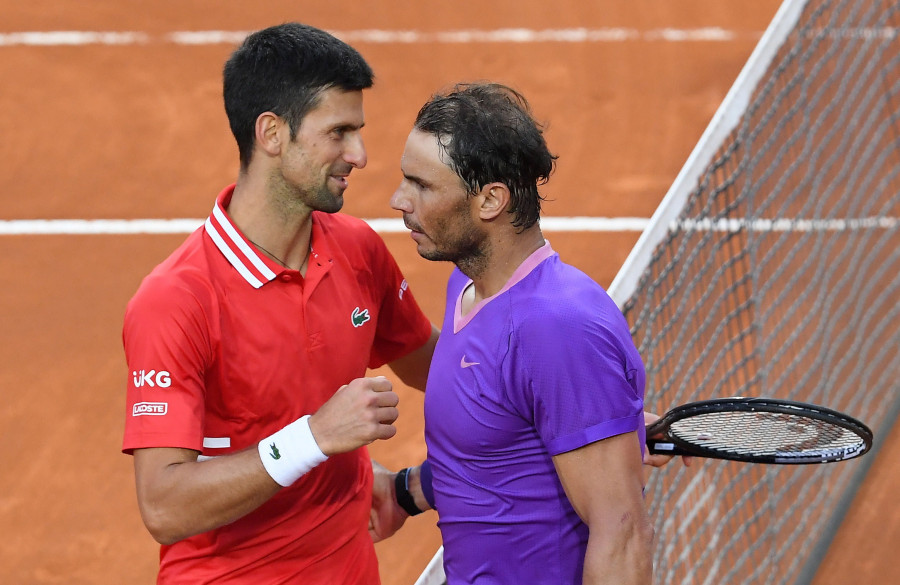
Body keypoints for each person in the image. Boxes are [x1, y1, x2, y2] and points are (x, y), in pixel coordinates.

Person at [121, 23, 439, 584]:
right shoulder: (178, 301)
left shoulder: (358, 250)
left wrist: (587, 417)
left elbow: (440, 369)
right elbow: (165, 506)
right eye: (338, 132)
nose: (360, 155)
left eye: (357, 131)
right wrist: (313, 438)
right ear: (271, 133)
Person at [380, 83, 656, 584]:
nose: (399, 199)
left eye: (422, 185)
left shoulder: (556, 329)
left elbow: (622, 534)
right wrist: (406, 493)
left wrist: (592, 413)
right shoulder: (466, 285)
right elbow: (495, 448)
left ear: (490, 199)